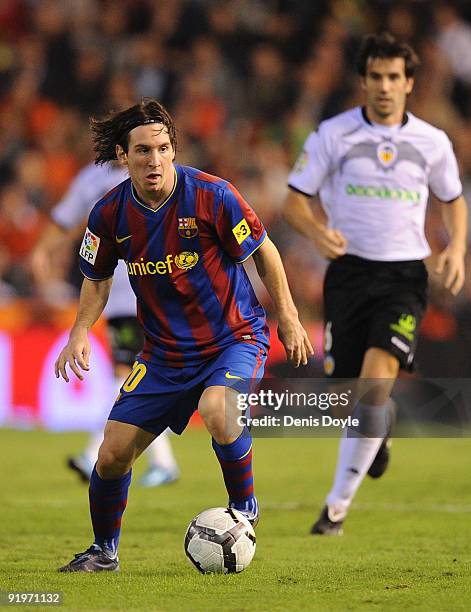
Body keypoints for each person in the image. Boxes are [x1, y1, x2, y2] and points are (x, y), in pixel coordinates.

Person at [55, 98, 313, 572]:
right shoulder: (108, 214)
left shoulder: (213, 195)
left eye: (163, 148)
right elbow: (96, 277)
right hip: (164, 354)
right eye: (143, 151)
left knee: (218, 408)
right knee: (111, 455)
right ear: (122, 156)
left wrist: (289, 317)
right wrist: (79, 333)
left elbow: (264, 250)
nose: (154, 160)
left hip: (233, 338)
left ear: (174, 150)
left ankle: (245, 510)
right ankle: (103, 551)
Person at [283, 32, 467, 535]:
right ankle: (377, 429)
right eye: (376, 77)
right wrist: (318, 232)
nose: (385, 86)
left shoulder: (432, 142)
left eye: (394, 77)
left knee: (373, 384)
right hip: (348, 275)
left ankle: (334, 511)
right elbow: (294, 200)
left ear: (409, 83)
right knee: (349, 395)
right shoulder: (332, 134)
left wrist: (454, 248)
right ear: (363, 82)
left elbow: (452, 198)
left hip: (404, 275)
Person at [31, 162, 180, 488]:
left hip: (153, 291)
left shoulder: (156, 172)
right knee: (135, 375)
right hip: (118, 298)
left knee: (131, 375)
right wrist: (43, 249)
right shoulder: (92, 179)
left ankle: (104, 455)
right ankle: (155, 460)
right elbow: (65, 219)